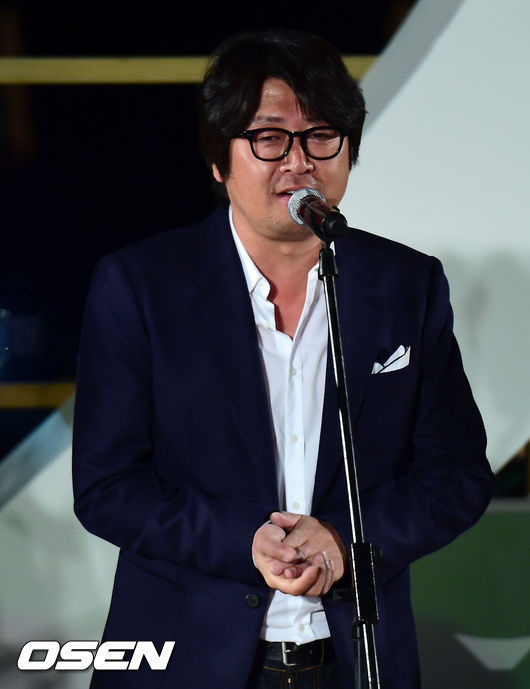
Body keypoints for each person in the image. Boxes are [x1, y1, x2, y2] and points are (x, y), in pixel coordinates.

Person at [72, 28, 495, 689]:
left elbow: (458, 475)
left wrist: (348, 540)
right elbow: (107, 486)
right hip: (186, 661)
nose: (299, 161)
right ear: (219, 160)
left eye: (321, 135)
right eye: (269, 138)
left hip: (355, 662)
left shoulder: (406, 286)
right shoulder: (141, 286)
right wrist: (242, 538)